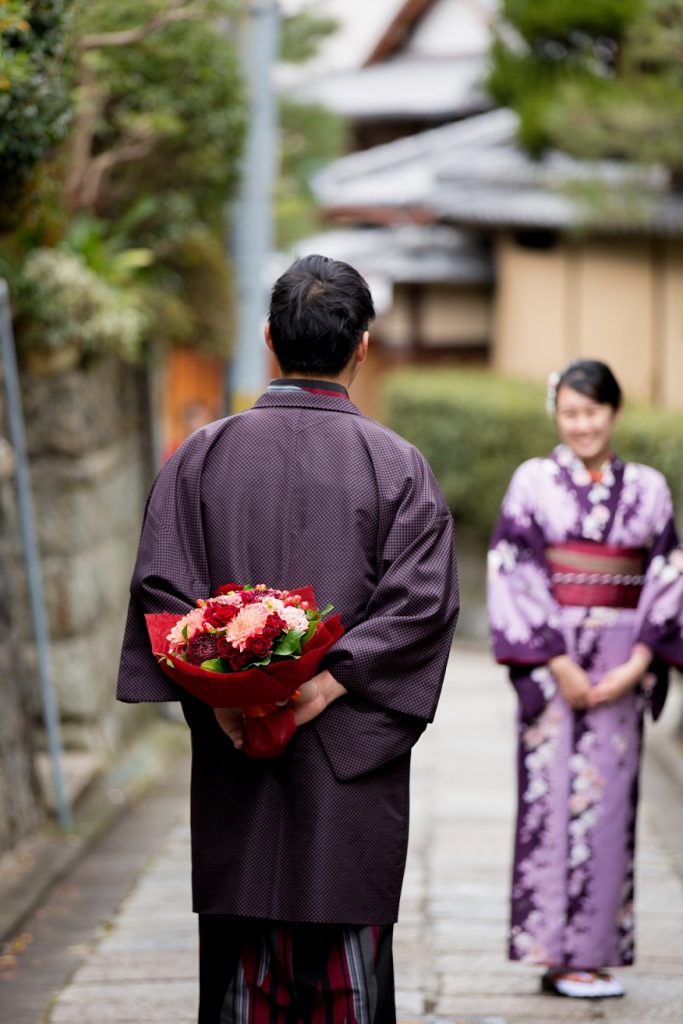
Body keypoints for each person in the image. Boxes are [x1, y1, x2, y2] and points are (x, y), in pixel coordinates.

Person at [117, 254, 459, 1023]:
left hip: (238, 756)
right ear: (362, 346)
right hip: (349, 760)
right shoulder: (397, 469)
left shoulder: (199, 458)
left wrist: (226, 702)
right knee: (347, 978)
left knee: (242, 978)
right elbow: (421, 605)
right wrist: (329, 684)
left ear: (269, 338)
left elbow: (162, 592)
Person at [487, 359, 683, 999]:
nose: (582, 425)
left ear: (614, 413)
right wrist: (559, 662)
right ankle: (554, 953)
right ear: (557, 414)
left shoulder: (651, 488)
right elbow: (513, 570)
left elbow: (667, 575)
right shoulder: (532, 482)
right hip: (553, 664)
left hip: (625, 660)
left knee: (610, 807)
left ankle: (594, 954)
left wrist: (638, 663)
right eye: (570, 413)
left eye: (592, 412)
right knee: (550, 804)